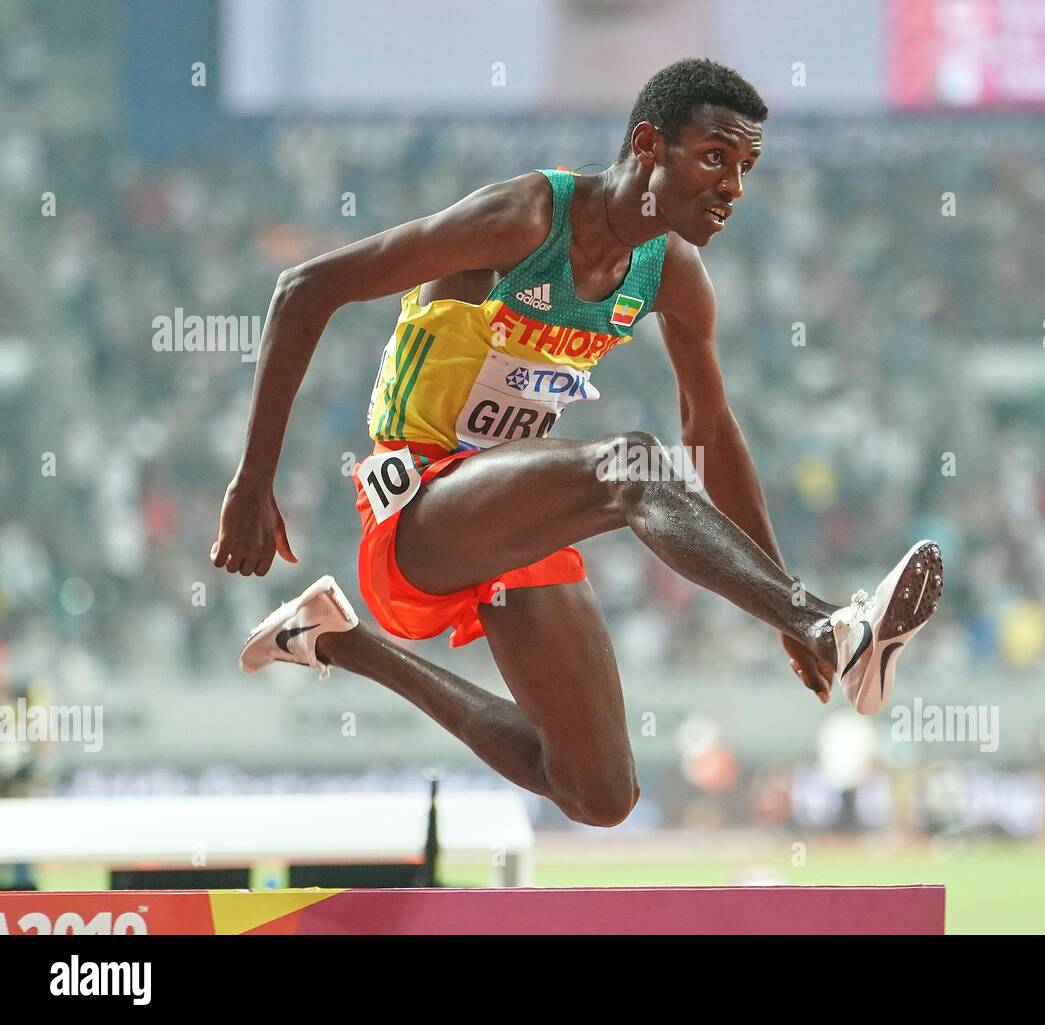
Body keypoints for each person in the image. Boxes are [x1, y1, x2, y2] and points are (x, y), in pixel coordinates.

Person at [212, 58, 943, 828]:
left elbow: (712, 431)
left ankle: (336, 641)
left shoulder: (673, 277)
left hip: (513, 523)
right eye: (715, 158)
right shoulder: (526, 217)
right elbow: (304, 288)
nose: (733, 187)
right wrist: (253, 481)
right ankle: (835, 627)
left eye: (747, 167)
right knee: (631, 465)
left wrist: (775, 602)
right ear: (650, 144)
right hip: (417, 512)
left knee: (600, 793)